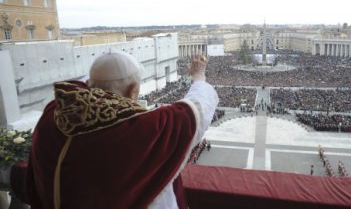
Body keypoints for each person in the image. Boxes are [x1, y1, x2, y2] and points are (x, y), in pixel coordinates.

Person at [26, 52, 218, 209]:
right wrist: (198, 76)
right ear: (133, 90)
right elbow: (196, 111)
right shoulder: (141, 129)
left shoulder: (55, 112)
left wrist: (102, 74)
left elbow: (87, 84)